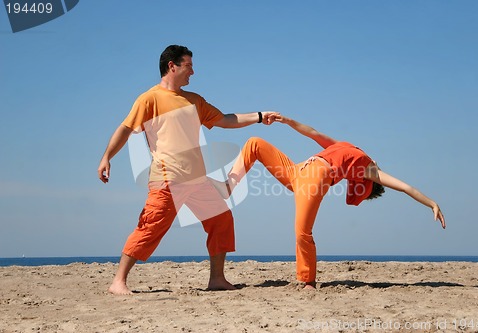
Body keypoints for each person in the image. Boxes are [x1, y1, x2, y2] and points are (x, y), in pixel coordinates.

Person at [97, 45, 279, 295]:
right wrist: (107, 157)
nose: (193, 71)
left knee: (222, 220)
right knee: (150, 227)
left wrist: (259, 116)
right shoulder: (149, 99)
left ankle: (217, 279)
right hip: (167, 179)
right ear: (172, 66)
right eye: (188, 66)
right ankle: (118, 281)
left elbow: (225, 120)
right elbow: (125, 128)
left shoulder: (194, 100)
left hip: (198, 180)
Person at [211, 115, 446, 289]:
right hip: (296, 170)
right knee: (255, 142)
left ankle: (308, 281)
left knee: (302, 232)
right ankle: (228, 186)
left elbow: (405, 187)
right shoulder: (345, 145)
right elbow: (313, 132)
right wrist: (287, 121)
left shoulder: (370, 169)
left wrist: (432, 203)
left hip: (315, 179)